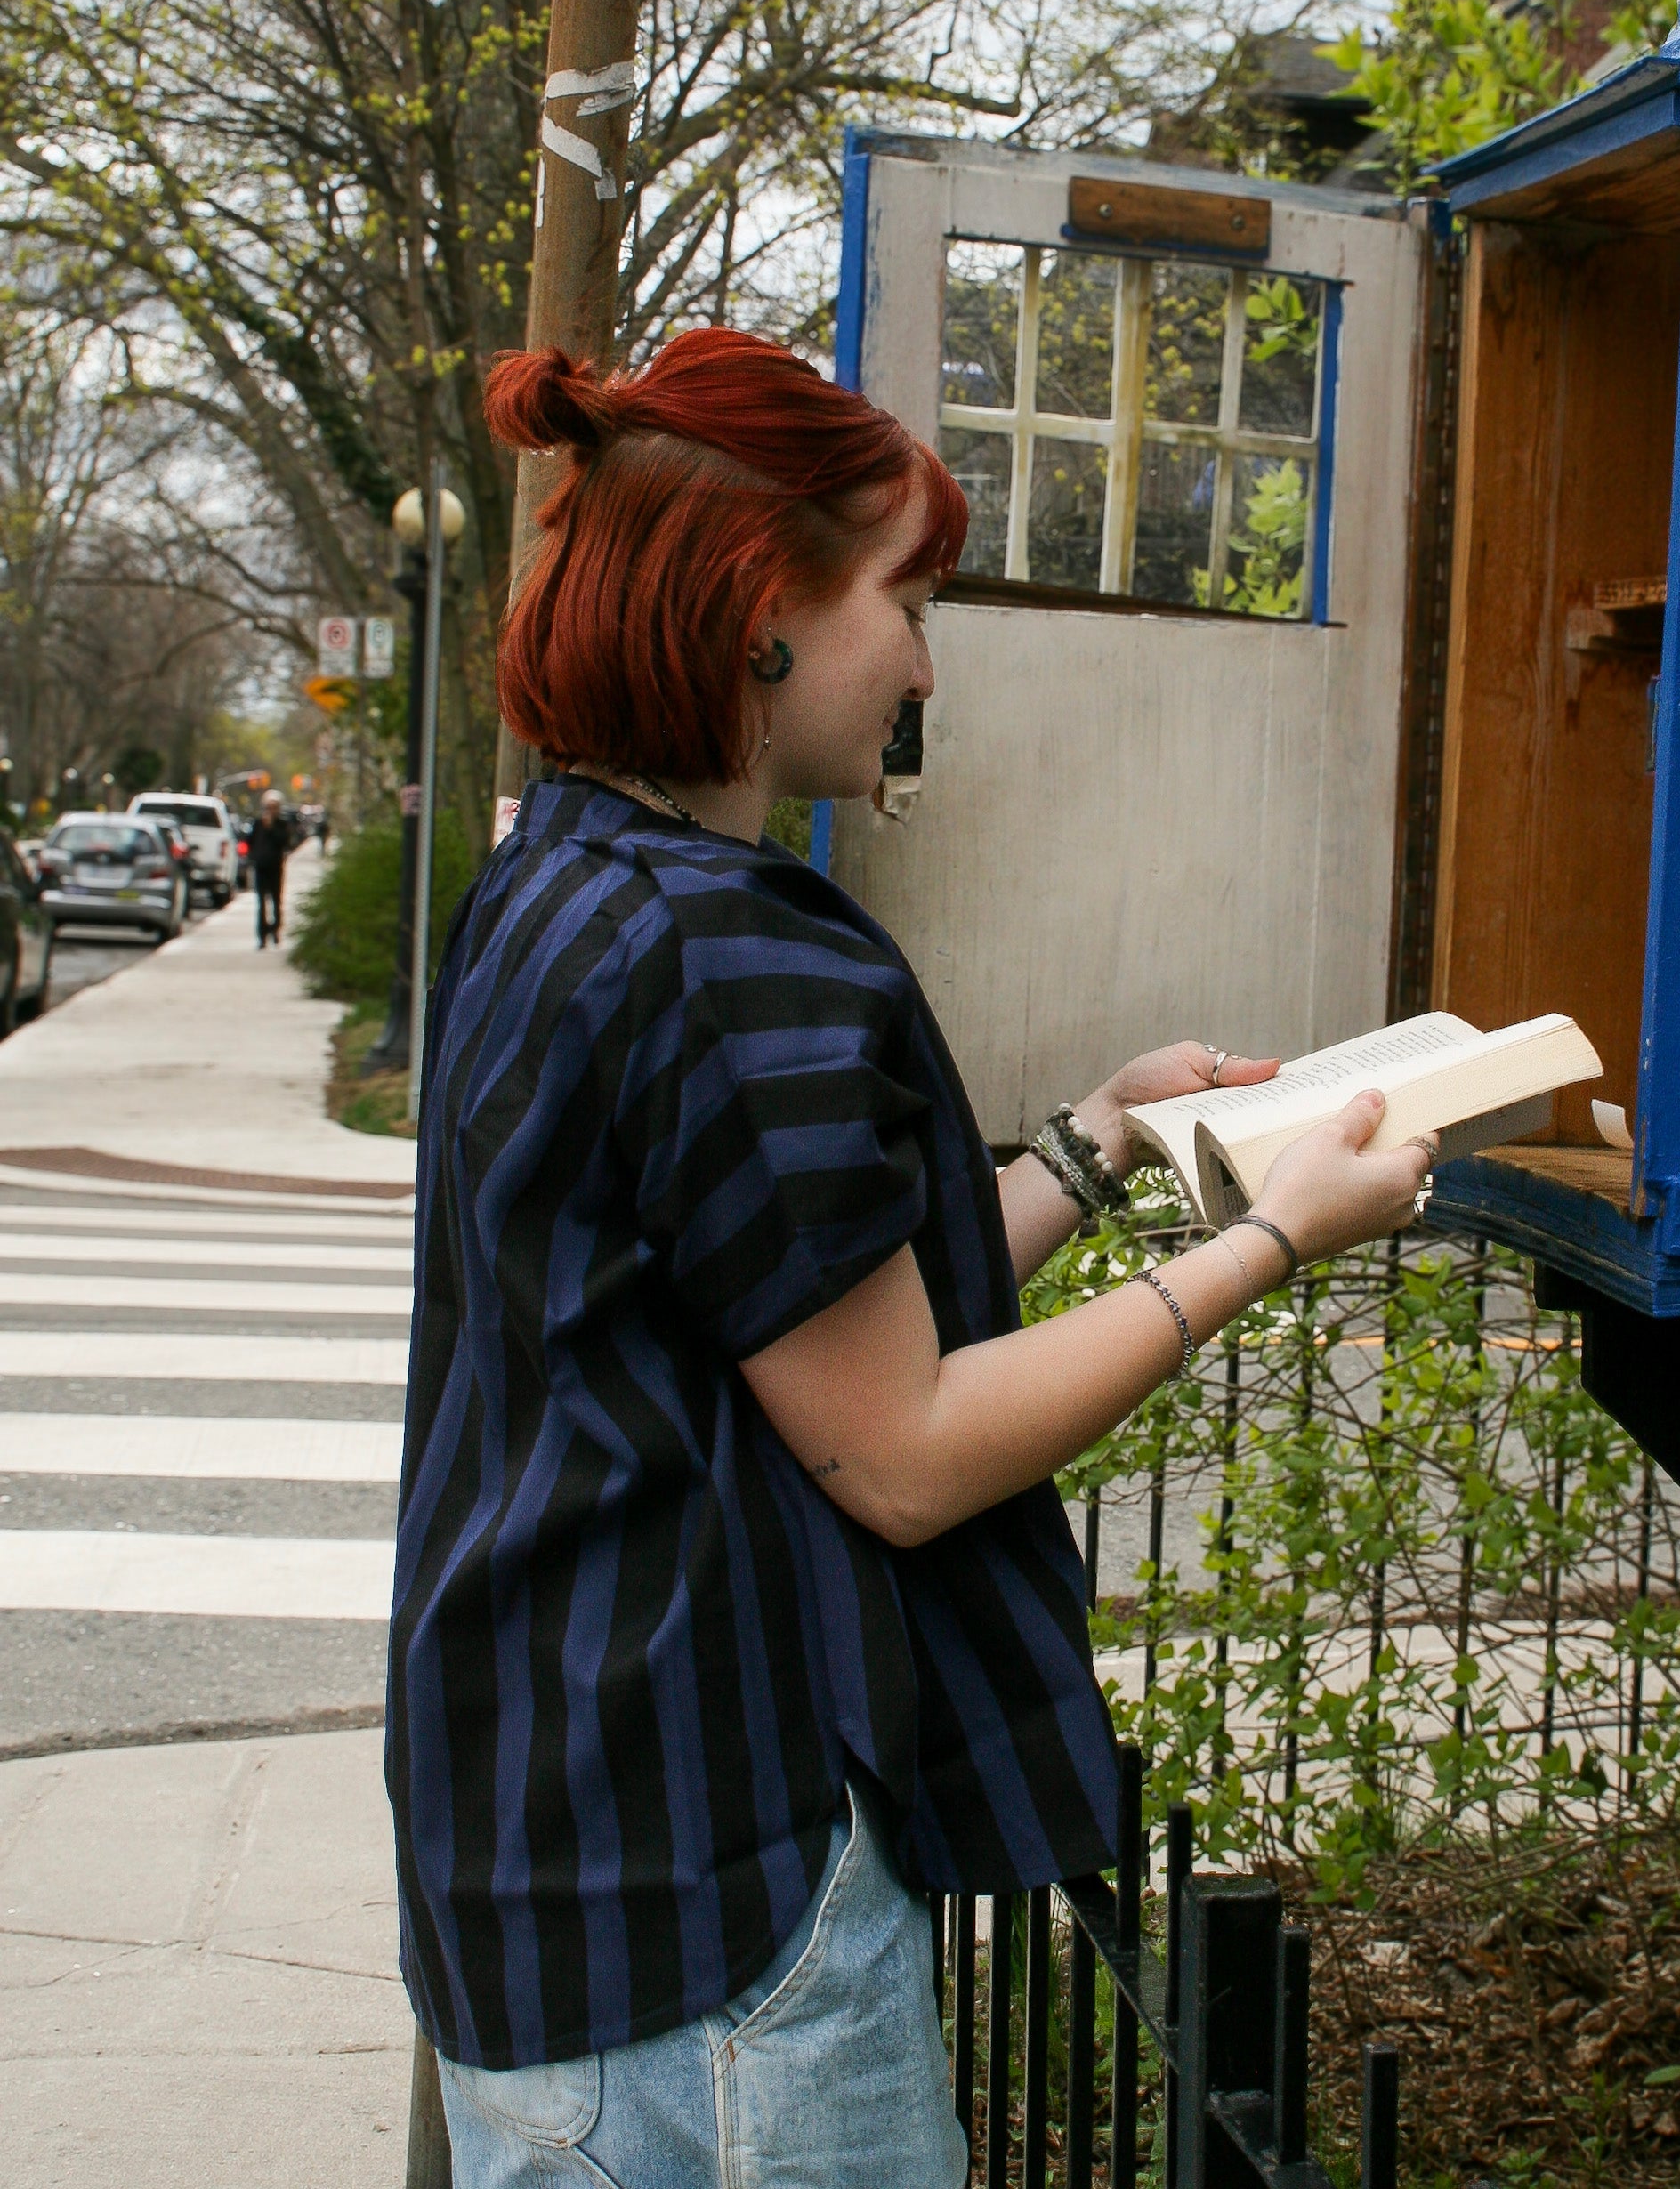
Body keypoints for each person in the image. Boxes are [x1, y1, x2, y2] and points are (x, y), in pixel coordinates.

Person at [386, 327, 1427, 2189]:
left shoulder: (551, 885)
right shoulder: (736, 951)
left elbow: (785, 1306)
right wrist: (1276, 1233)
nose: (926, 665)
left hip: (541, 1839)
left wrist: (1098, 1142)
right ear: (754, 606)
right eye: (906, 597)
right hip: (716, 1898)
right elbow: (907, 1450)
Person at [246, 788, 292, 947]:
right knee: (261, 903)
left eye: (274, 807)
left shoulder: (282, 824)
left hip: (275, 867)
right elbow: (249, 841)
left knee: (276, 901)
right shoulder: (258, 823)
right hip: (260, 867)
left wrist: (272, 828)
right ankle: (262, 936)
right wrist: (253, 856)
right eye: (268, 806)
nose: (270, 810)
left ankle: (275, 930)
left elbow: (285, 842)